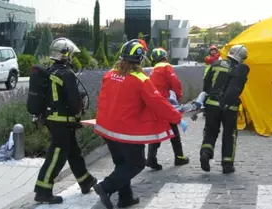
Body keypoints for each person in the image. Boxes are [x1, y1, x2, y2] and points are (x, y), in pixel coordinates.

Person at [93, 39, 187, 209]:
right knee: (136, 164)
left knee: (122, 164)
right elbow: (157, 102)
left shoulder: (110, 74)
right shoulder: (140, 79)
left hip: (107, 129)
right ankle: (105, 187)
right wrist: (177, 117)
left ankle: (126, 198)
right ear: (140, 59)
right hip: (126, 131)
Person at [33, 38, 97, 204]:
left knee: (73, 151)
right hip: (62, 121)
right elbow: (75, 104)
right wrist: (80, 103)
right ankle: (43, 190)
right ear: (66, 55)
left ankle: (85, 181)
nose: (72, 58)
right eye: (71, 55)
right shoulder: (67, 73)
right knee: (57, 155)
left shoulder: (51, 70)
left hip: (54, 120)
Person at [199, 44, 249, 174]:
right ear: (242, 58)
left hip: (212, 103)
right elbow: (238, 90)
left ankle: (206, 153)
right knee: (229, 134)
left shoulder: (215, 64)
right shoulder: (240, 69)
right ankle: (227, 164)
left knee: (210, 131)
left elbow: (206, 84)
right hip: (229, 108)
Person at [146, 47, 190, 170]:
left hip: (155, 104)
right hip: (164, 103)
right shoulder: (166, 66)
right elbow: (175, 82)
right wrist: (179, 97)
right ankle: (179, 157)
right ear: (165, 57)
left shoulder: (153, 70)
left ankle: (151, 158)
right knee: (174, 130)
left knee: (157, 130)